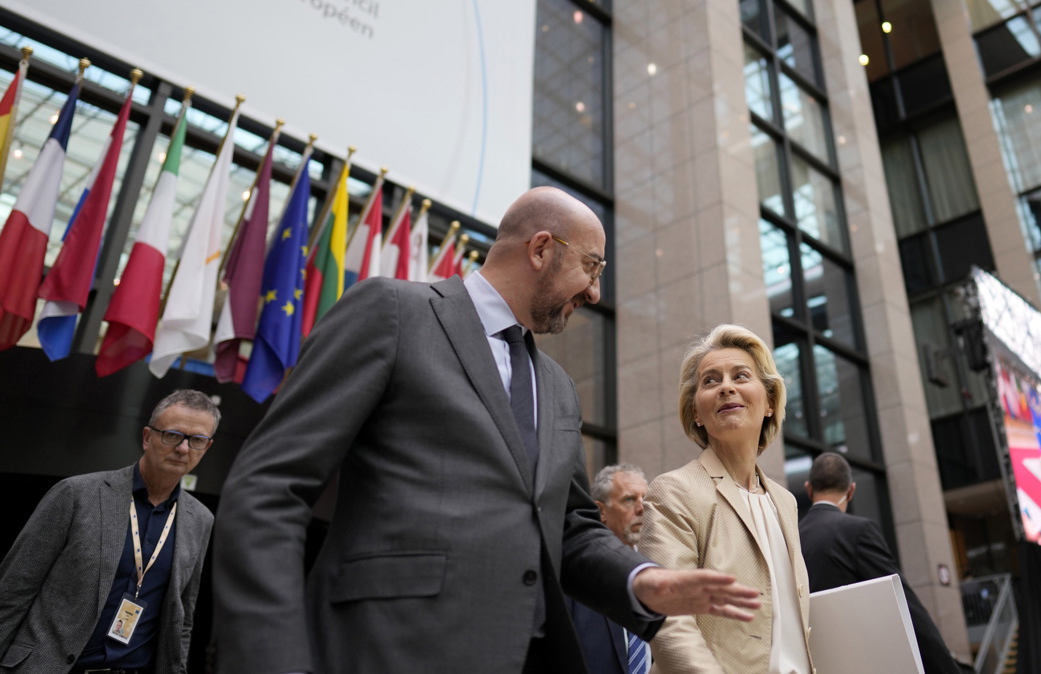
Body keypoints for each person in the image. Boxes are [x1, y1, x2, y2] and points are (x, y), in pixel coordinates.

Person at [212, 187, 759, 674]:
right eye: (592, 268)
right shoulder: (394, 313)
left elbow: (569, 526)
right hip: (388, 648)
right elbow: (268, 488)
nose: (594, 293)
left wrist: (640, 580)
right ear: (542, 249)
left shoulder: (559, 385)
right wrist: (271, 655)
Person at [0, 389, 218, 674]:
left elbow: (182, 618)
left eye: (197, 440)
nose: (183, 449)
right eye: (173, 435)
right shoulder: (76, 494)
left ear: (207, 447)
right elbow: (13, 590)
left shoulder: (200, 519)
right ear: (147, 437)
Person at [639, 324, 813, 674]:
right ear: (697, 415)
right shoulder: (675, 491)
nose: (726, 387)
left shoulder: (785, 501)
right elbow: (669, 620)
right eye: (710, 380)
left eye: (741, 375)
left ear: (769, 403)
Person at [798, 452, 961, 674]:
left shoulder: (790, 538)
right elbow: (905, 605)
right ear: (851, 490)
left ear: (809, 489)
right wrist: (947, 669)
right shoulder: (858, 532)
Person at [569, 464, 653, 674]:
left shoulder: (656, 569)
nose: (643, 507)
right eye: (629, 499)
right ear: (601, 511)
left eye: (646, 499)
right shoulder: (576, 575)